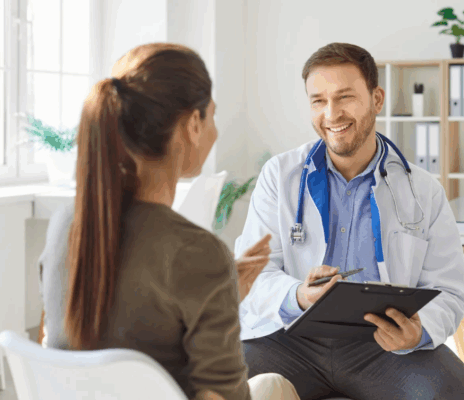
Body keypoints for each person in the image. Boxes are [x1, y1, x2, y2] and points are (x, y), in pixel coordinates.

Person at [37, 43, 300, 400]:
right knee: (275, 386)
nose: (216, 131)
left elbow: (54, 342)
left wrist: (221, 298)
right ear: (193, 123)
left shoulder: (65, 223)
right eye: (212, 116)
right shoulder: (197, 252)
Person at [235, 43, 464, 399]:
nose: (331, 113)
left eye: (345, 97)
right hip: (290, 340)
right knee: (212, 382)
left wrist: (417, 332)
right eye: (318, 101)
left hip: (382, 346)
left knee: (456, 392)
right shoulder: (280, 175)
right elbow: (252, 273)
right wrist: (299, 295)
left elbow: (450, 289)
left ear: (377, 99)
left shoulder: (422, 189)